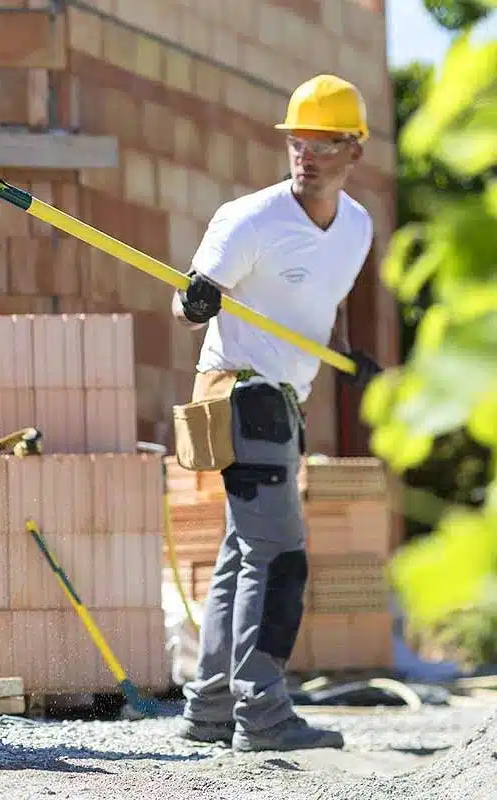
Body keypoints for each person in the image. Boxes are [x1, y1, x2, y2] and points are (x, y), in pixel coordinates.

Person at [170, 74, 384, 752]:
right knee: (280, 555)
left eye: (322, 143)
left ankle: (209, 707)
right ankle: (261, 712)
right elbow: (187, 304)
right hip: (237, 390)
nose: (306, 155)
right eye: (298, 141)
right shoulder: (249, 220)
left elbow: (330, 300)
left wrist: (348, 358)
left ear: (354, 151)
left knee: (244, 553)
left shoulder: (356, 226)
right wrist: (195, 301)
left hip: (285, 398)